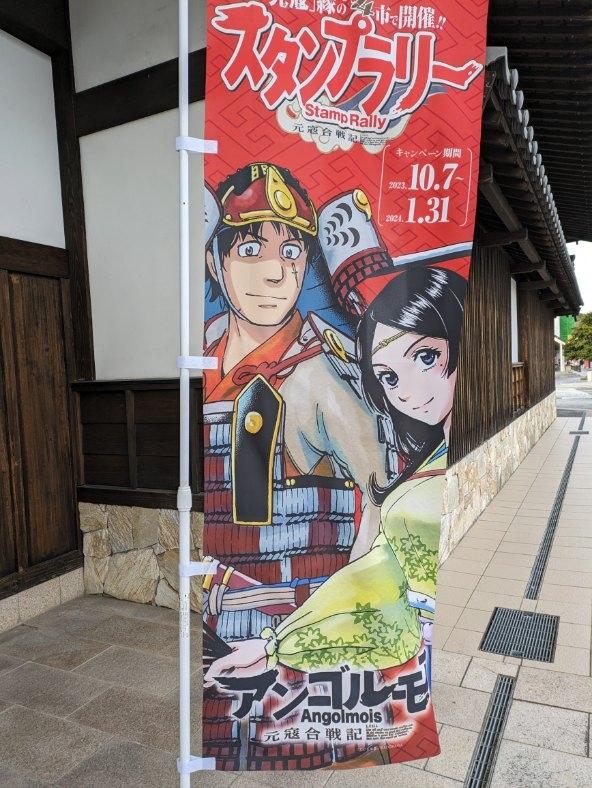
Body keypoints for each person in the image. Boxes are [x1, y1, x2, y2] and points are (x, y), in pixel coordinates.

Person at [205, 266, 466, 763]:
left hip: (396, 636)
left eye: (426, 357)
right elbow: (372, 576)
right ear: (218, 264)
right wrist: (274, 646)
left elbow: (373, 551)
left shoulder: (319, 374)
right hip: (378, 629)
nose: (407, 392)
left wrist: (278, 643)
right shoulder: (422, 462)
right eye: (388, 377)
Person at [201, 162, 389, 770]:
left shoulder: (319, 375)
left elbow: (383, 505)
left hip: (293, 635)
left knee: (292, 746)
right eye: (250, 249)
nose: (274, 272)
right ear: (216, 263)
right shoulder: (201, 357)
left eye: (291, 252)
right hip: (215, 623)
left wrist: (330, 626)